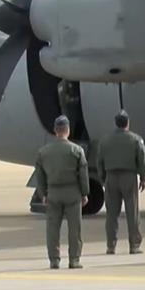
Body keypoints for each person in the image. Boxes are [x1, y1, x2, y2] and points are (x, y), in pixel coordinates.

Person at [34, 115, 89, 269]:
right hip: (72, 192)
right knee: (75, 228)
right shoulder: (77, 150)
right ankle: (74, 259)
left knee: (52, 228)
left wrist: (43, 194)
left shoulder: (43, 152)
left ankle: (54, 260)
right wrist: (85, 193)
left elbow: (40, 176)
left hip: (53, 193)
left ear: (55, 130)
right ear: (68, 130)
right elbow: (83, 174)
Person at [97, 110, 145, 255]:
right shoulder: (135, 139)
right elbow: (142, 160)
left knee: (111, 214)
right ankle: (134, 245)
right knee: (132, 213)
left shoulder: (105, 140)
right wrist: (144, 178)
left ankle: (111, 245)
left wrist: (103, 179)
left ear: (116, 123)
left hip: (111, 177)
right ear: (127, 123)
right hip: (129, 177)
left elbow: (99, 161)